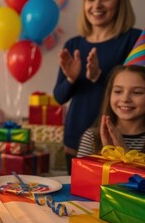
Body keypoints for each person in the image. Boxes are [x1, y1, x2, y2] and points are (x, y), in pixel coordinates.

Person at [52, 0, 141, 174]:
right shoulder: (73, 45)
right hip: (77, 137)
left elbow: (135, 90)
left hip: (122, 141)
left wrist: (99, 77)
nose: (97, 5)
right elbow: (59, 97)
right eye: (90, 0)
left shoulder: (135, 39)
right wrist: (71, 79)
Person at [77, 65, 145, 157]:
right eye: (118, 91)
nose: (125, 99)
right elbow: (81, 171)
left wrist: (124, 153)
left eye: (137, 92)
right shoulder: (92, 137)